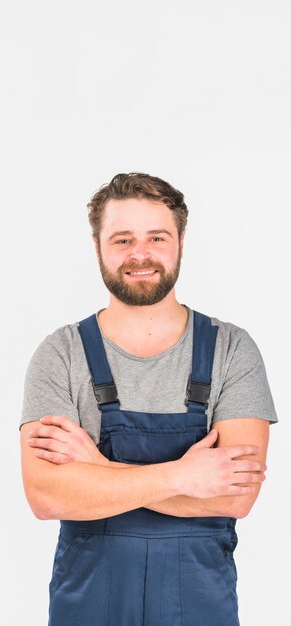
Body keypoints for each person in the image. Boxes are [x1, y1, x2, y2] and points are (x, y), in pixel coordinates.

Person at [19, 172, 277, 626]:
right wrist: (185, 476)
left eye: (156, 237)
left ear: (180, 242)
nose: (140, 254)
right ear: (97, 247)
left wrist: (96, 472)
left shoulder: (232, 350)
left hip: (197, 605)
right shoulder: (61, 354)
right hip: (89, 605)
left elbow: (236, 497)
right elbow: (46, 495)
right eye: (122, 240)